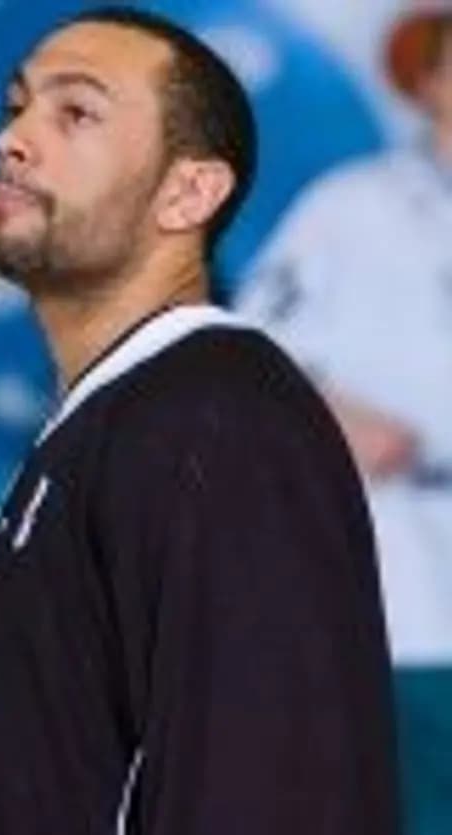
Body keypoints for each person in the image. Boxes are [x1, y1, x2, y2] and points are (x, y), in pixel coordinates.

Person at [0, 7, 399, 834]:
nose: (11, 139)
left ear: (189, 191)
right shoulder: (126, 416)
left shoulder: (219, 424)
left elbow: (269, 794)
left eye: (75, 112)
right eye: (15, 107)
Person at [232, 6, 452, 834]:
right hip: (408, 559)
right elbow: (246, 349)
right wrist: (337, 416)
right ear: (428, 83)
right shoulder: (355, 206)